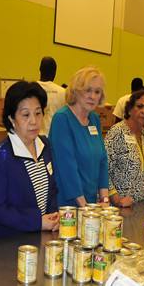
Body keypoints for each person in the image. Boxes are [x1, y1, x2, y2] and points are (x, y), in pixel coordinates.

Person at [0, 81, 59, 238]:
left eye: (38, 113)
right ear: (12, 119)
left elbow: (52, 190)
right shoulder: (0, 155)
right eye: (26, 115)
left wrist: (53, 215)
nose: (33, 121)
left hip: (41, 237)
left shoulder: (45, 145)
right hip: (9, 243)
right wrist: (37, 222)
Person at [49, 66, 109, 206]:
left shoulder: (94, 119)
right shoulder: (62, 119)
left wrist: (104, 199)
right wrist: (85, 208)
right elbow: (66, 168)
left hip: (91, 205)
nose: (92, 96)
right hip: (69, 205)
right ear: (76, 90)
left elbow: (102, 161)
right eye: (87, 90)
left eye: (97, 92)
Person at [105, 90, 144, 205]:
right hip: (121, 207)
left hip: (143, 205)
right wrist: (116, 199)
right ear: (129, 109)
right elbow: (103, 169)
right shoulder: (117, 132)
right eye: (140, 106)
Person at [37, 56, 65, 135]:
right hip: (56, 137)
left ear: (40, 70)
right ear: (55, 73)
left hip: (35, 138)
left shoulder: (31, 89)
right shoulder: (63, 92)